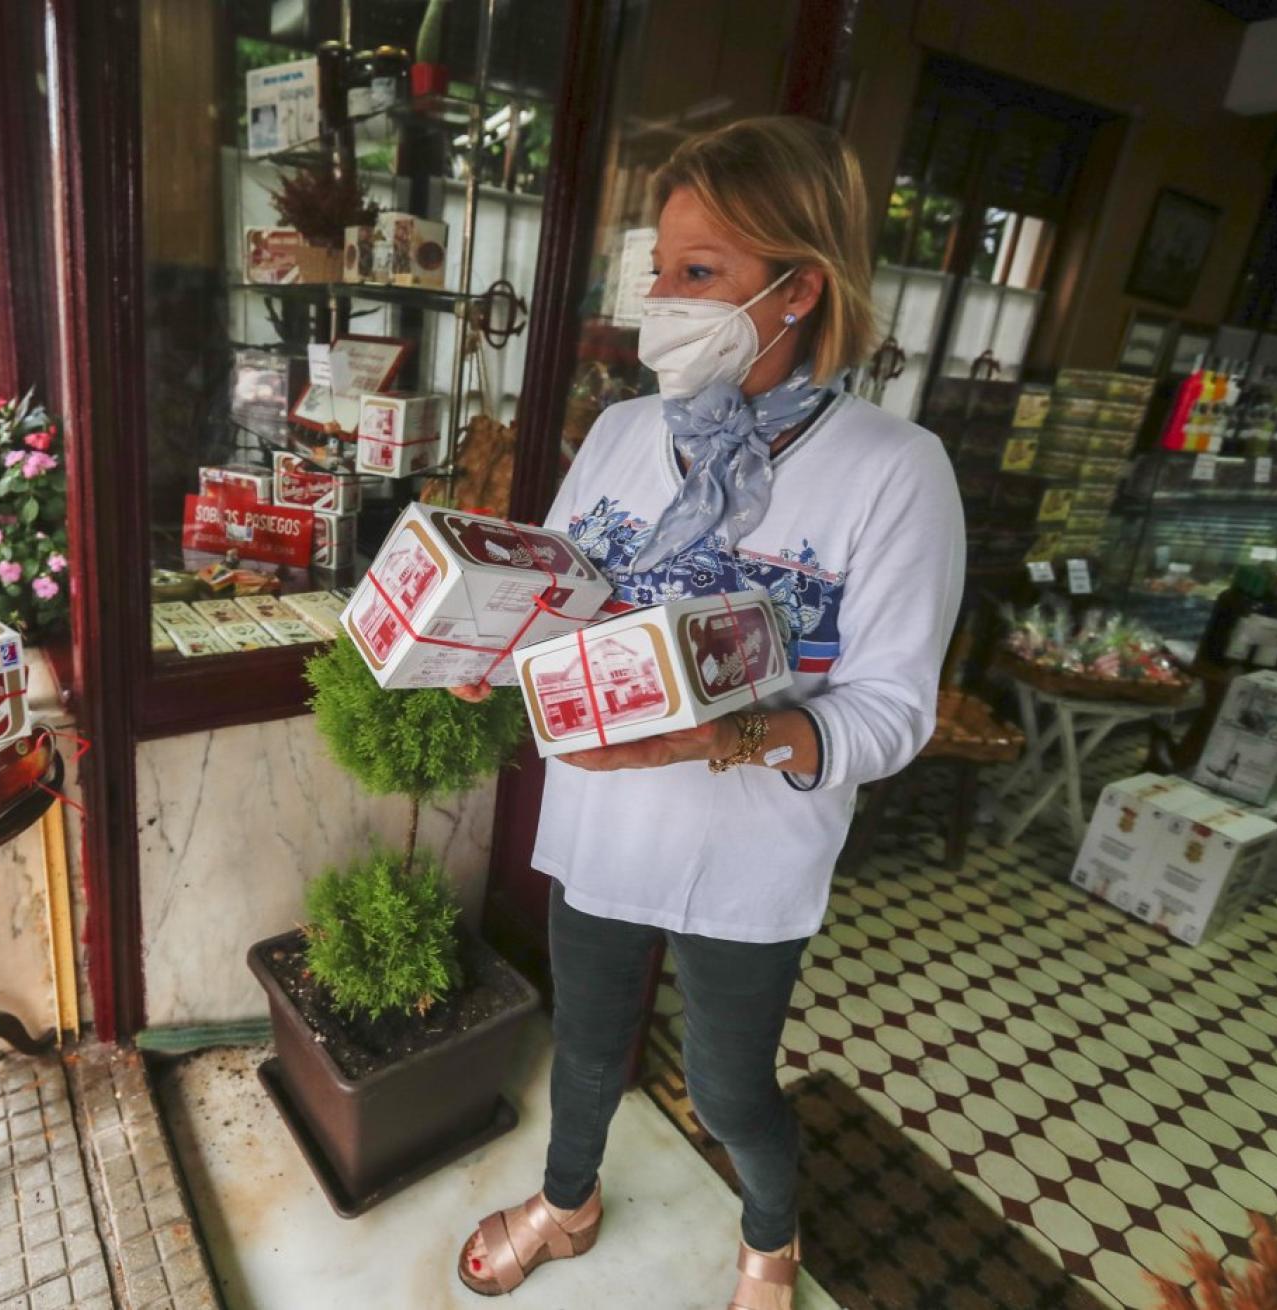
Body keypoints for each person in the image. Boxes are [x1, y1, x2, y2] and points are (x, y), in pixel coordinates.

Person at [451, 116, 965, 1306]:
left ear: (801, 290)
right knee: (582, 1046)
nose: (661, 301)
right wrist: (490, 644)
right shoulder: (627, 433)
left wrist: (730, 734)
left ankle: (771, 1239)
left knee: (731, 1088)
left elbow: (895, 709)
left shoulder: (895, 469)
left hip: (749, 854)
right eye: (660, 268)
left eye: (701, 274)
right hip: (601, 818)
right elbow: (565, 596)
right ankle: (568, 1205)